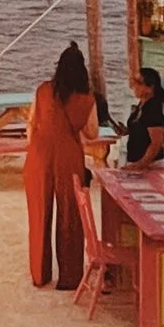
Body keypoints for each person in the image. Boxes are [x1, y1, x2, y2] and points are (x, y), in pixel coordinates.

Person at [23, 41, 99, 289]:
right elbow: (92, 133)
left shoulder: (43, 90)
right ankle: (69, 276)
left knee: (39, 213)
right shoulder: (87, 98)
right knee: (70, 216)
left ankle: (39, 274)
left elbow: (31, 124)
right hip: (69, 156)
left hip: (40, 154)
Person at [120, 63, 164, 170]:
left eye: (138, 83)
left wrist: (140, 165)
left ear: (150, 87)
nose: (134, 86)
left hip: (151, 165)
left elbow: (156, 143)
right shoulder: (142, 105)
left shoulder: (153, 110)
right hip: (138, 163)